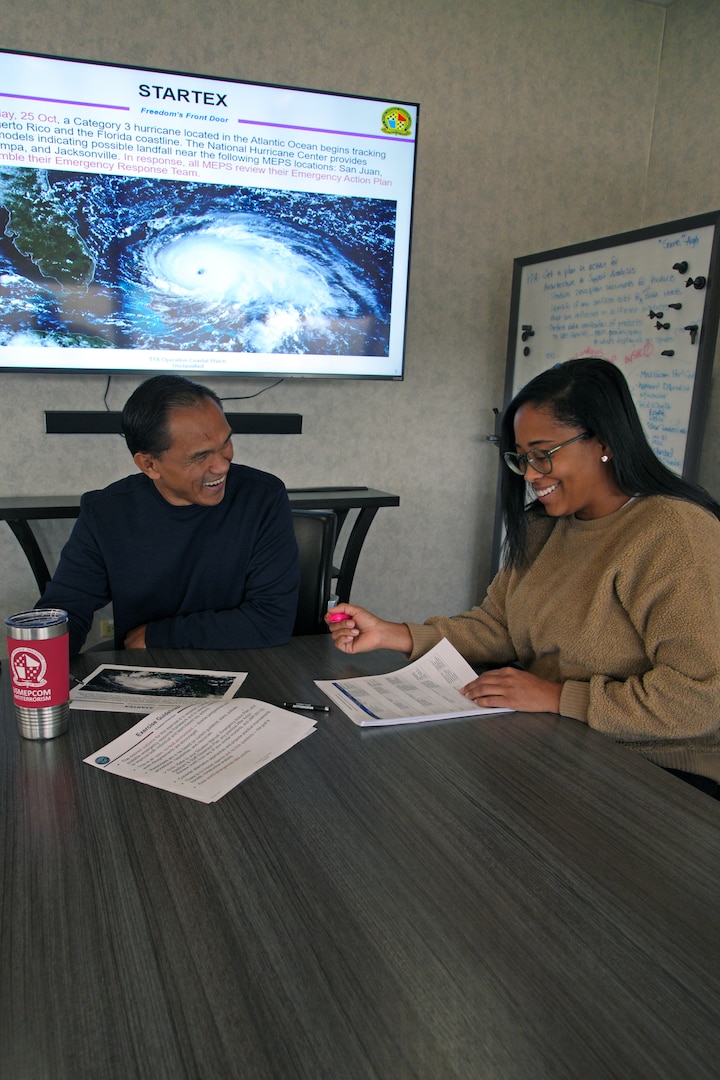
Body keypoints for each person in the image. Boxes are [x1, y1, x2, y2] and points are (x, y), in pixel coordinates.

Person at [328, 357, 720, 795]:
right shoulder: (543, 526)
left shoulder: (674, 532)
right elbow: (498, 628)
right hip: (564, 740)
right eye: (521, 458)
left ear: (604, 442)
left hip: (662, 769)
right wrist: (392, 634)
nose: (531, 475)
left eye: (543, 455)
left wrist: (556, 697)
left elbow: (700, 698)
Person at [38, 374, 300, 656]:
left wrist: (159, 635)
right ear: (149, 464)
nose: (222, 466)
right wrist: (41, 666)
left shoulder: (263, 497)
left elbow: (272, 620)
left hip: (249, 669)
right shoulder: (106, 513)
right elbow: (66, 611)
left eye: (225, 443)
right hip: (146, 678)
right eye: (200, 456)